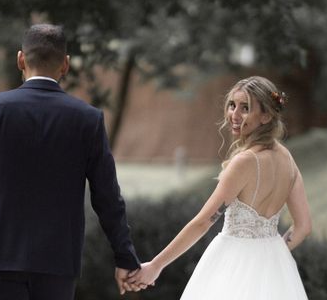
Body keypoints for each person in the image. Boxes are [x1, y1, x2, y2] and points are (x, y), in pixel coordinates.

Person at [0, 24, 142, 299]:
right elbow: (108, 197)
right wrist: (125, 258)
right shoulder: (87, 119)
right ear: (66, 64)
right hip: (57, 261)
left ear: (21, 59)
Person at [128, 76, 312, 298]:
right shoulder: (287, 159)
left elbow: (203, 222)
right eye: (232, 105)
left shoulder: (245, 162)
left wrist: (155, 266)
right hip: (275, 268)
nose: (234, 115)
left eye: (245, 108)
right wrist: (273, 256)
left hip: (232, 264)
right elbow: (303, 226)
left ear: (266, 115)